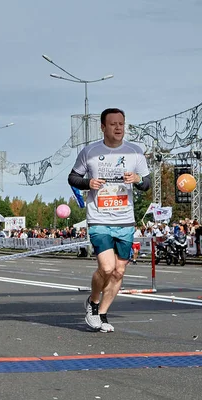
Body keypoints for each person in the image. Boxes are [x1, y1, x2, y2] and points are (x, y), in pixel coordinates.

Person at [68, 108, 150, 333]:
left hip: (125, 219)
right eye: (113, 124)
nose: (118, 128)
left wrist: (137, 178)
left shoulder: (135, 152)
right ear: (103, 127)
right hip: (99, 217)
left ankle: (102, 314)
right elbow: (73, 177)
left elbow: (147, 183)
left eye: (121, 123)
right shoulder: (90, 151)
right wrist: (88, 183)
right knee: (106, 267)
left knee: (119, 272)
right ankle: (93, 303)